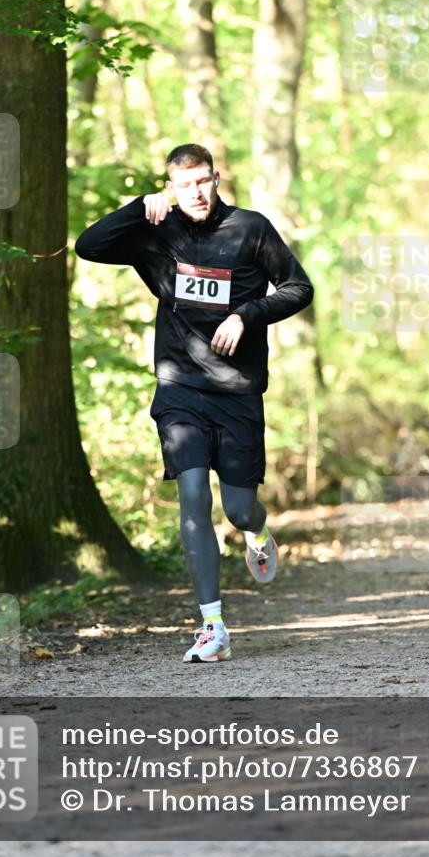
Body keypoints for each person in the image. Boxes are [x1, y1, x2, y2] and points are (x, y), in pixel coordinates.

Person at [75, 143, 314, 661]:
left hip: (237, 390)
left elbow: (299, 287)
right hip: (179, 386)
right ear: (172, 186)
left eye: (203, 181)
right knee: (191, 498)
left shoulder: (251, 228)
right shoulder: (157, 230)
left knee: (238, 507)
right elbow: (88, 246)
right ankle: (213, 627)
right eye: (185, 185)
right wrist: (140, 206)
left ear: (217, 177)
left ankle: (257, 532)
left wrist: (247, 314)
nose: (197, 192)